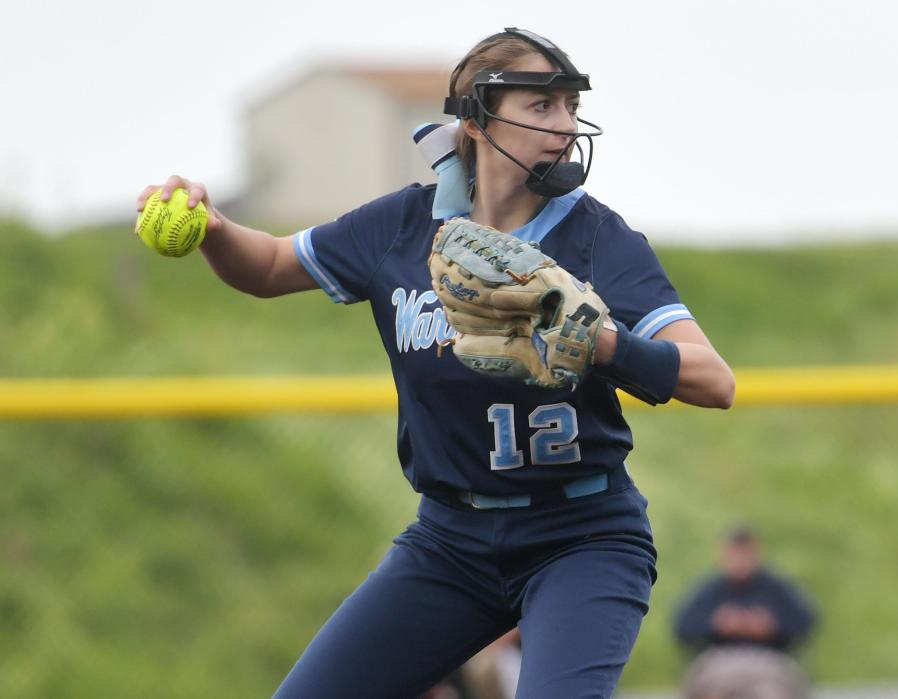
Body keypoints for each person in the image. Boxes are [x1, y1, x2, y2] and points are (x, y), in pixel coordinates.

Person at [136, 27, 735, 699]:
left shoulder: (596, 236)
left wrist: (604, 344)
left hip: (582, 536)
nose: (565, 124)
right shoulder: (401, 226)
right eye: (542, 106)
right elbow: (271, 266)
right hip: (451, 540)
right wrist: (216, 228)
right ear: (476, 119)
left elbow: (715, 379)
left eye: (570, 105)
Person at [673, 527, 817, 699]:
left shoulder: (774, 587)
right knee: (709, 689)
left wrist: (771, 626)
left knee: (772, 692)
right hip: (720, 660)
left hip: (767, 661)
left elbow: (805, 621)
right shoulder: (712, 589)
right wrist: (717, 624)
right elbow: (682, 626)